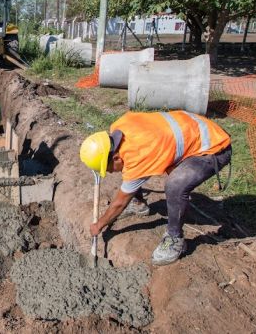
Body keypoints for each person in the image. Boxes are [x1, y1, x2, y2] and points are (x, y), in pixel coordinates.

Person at [80, 110, 232, 266]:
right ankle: (138, 203)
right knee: (131, 172)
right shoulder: (119, 127)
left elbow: (120, 202)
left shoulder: (138, 156)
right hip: (192, 128)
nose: (111, 172)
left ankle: (175, 239)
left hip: (214, 147)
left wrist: (99, 225)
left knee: (175, 185)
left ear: (115, 157)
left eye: (109, 168)